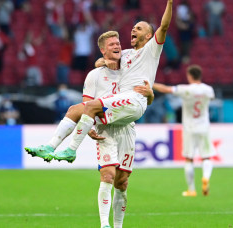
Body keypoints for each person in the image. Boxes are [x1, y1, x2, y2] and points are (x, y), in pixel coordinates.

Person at [27, 31, 153, 228]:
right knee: (107, 175)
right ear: (102, 50)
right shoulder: (94, 76)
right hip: (105, 128)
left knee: (122, 183)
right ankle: (105, 225)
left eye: (118, 43)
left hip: (126, 128)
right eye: (111, 44)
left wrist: (151, 94)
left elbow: (143, 97)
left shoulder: (130, 67)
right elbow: (87, 105)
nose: (117, 46)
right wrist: (91, 126)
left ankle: (118, 226)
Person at [24, 0, 172, 163]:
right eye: (133, 27)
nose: (133, 29)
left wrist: (170, 2)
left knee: (92, 105)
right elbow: (101, 61)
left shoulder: (151, 50)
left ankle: (71, 150)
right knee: (75, 110)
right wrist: (101, 62)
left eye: (138, 28)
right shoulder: (126, 54)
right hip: (123, 101)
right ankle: (50, 147)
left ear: (149, 35)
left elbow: (164, 26)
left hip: (135, 100)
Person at [153, 65, 215, 197]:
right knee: (206, 156)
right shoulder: (208, 89)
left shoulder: (185, 89)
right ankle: (205, 177)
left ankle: (191, 189)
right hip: (204, 127)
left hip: (189, 127)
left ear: (190, 76)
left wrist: (151, 84)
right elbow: (212, 98)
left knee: (189, 158)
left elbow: (166, 89)